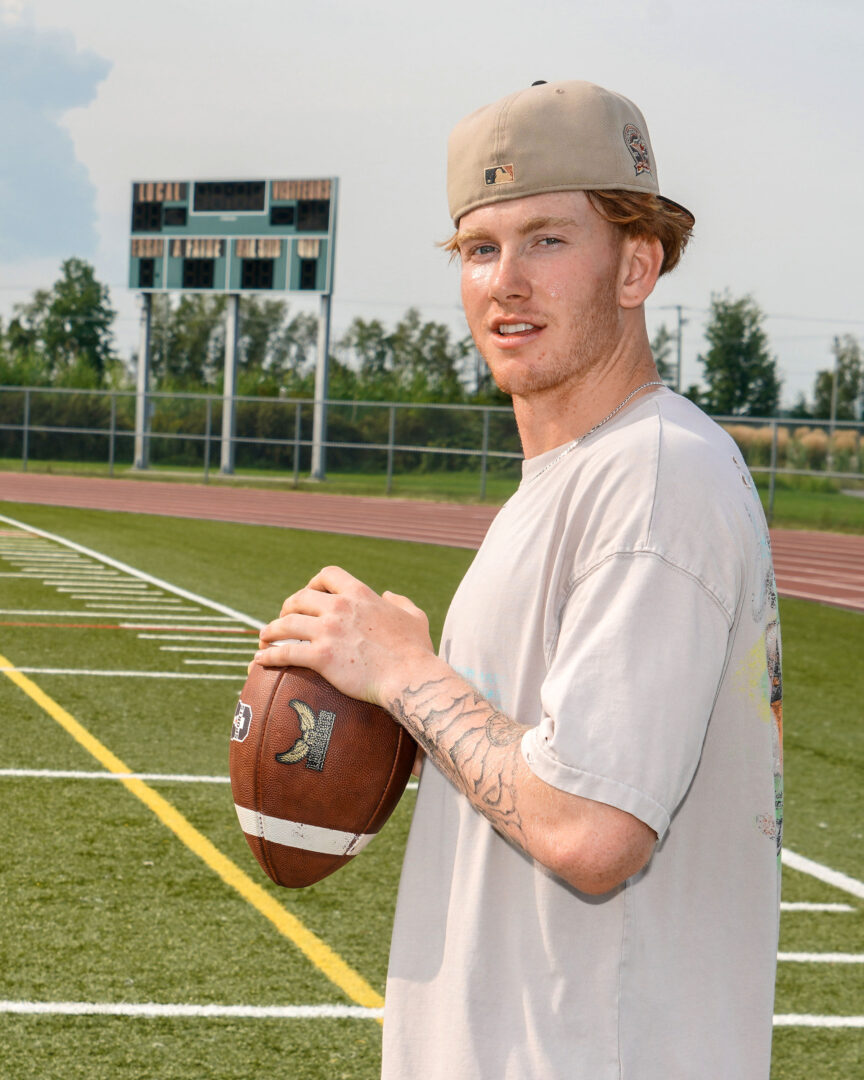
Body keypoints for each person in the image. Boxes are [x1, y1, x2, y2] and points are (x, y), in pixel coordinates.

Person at [254, 79, 783, 1079]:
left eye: (547, 240)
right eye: (480, 249)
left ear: (637, 264)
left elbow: (591, 829)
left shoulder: (653, 474)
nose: (506, 280)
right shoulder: (573, 479)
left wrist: (402, 673)